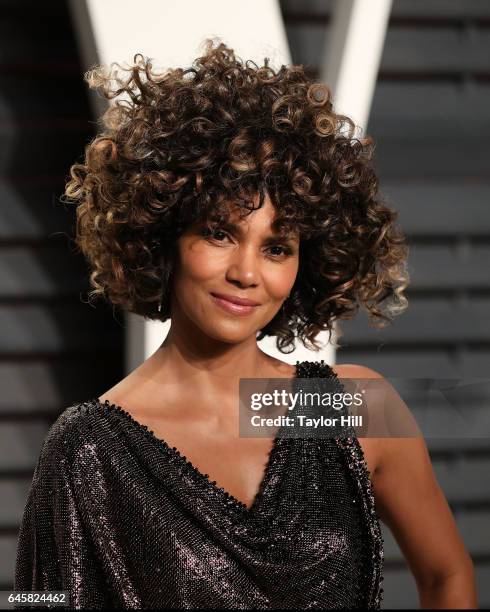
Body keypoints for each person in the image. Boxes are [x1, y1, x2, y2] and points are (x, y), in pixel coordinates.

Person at [14, 39, 477, 609]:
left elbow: (448, 576)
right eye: (219, 233)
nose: (246, 272)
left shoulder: (348, 407)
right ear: (164, 238)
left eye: (277, 247)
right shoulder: (87, 451)